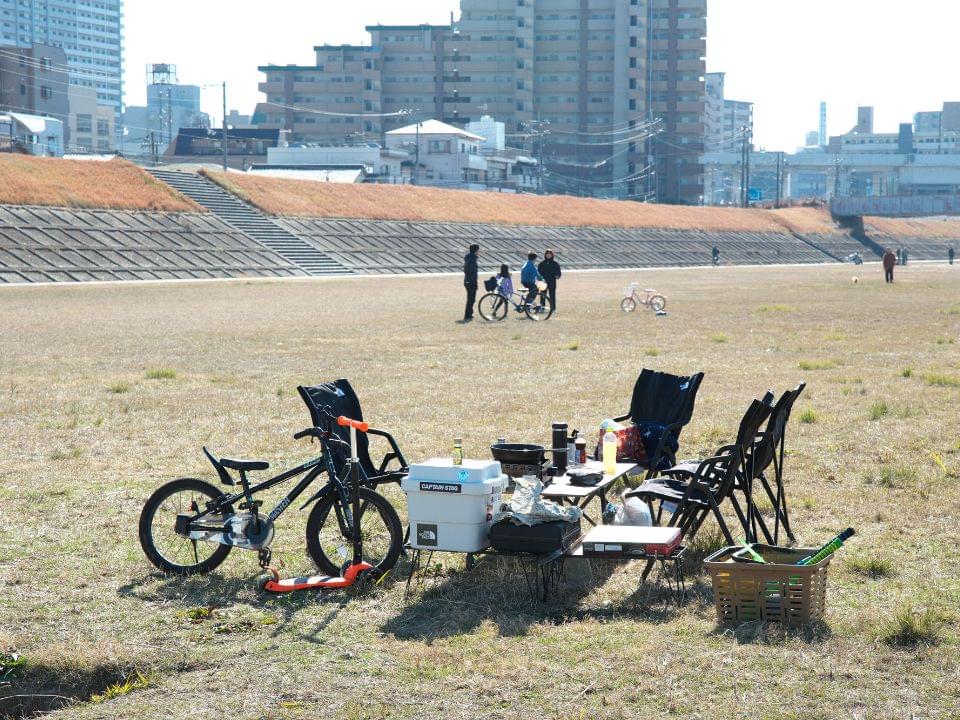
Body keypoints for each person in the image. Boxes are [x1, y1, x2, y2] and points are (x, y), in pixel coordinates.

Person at [537, 249, 562, 314]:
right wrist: (539, 279)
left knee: (552, 296)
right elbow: (538, 273)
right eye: (547, 254)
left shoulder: (555, 264)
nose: (548, 255)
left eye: (549, 254)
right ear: (545, 255)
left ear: (552, 255)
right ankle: (542, 308)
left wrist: (558, 275)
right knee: (542, 295)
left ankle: (553, 309)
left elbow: (558, 272)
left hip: (552, 282)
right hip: (543, 282)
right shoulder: (541, 264)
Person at [463, 243, 480, 322]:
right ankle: (468, 315)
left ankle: (469, 313)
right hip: (471, 281)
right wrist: (474, 282)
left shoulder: (469, 258)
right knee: (471, 299)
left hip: (467, 281)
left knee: (470, 298)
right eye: (478, 250)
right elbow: (471, 272)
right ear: (476, 250)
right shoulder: (472, 259)